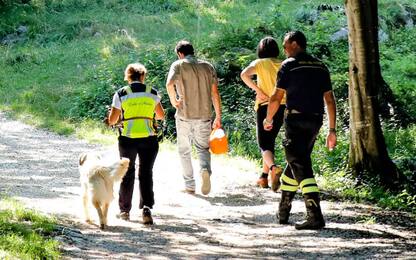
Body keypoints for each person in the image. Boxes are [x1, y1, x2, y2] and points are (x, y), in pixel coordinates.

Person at [263, 31, 337, 230]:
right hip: (315, 120)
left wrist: (268, 119)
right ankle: (284, 210)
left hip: (296, 120)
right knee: (296, 161)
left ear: (295, 44)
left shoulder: (289, 65)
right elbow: (329, 100)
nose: (284, 49)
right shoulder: (321, 66)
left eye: (286, 44)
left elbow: (276, 97)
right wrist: (332, 129)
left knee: (301, 165)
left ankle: (315, 215)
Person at [106, 63, 165, 225]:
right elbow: (160, 116)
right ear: (143, 76)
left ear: (128, 77)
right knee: (146, 173)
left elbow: (112, 120)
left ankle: (125, 211)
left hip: (128, 139)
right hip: (149, 138)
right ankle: (146, 208)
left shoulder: (121, 93)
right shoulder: (152, 92)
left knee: (127, 172)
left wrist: (116, 119)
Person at [166, 40, 222, 195]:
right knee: (203, 148)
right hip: (204, 116)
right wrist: (218, 116)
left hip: (184, 115)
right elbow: (215, 94)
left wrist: (174, 100)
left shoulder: (178, 65)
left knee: (184, 150)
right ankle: (205, 170)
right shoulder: (207, 66)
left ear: (180, 54)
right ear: (193, 51)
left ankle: (190, 185)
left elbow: (169, 84)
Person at [240, 36, 286, 192]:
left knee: (264, 144)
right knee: (270, 141)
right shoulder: (282, 63)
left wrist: (258, 91)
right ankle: (263, 177)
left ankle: (273, 168)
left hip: (266, 106)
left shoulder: (260, 63)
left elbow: (244, 74)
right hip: (283, 106)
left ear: (260, 49)